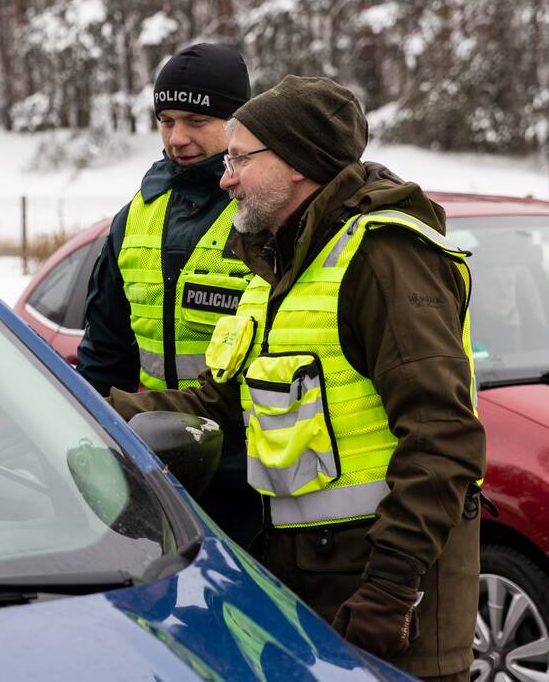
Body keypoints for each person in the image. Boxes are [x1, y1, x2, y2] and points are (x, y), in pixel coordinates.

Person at [106, 75, 485, 680]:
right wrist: (86, 408)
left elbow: (443, 439)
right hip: (311, 593)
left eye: (239, 159)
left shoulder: (384, 259)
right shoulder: (280, 265)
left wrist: (390, 592)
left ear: (300, 164)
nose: (225, 176)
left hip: (391, 606)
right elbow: (220, 406)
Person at [75, 41, 259, 548]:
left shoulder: (265, 213)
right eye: (166, 120)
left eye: (197, 121)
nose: (177, 138)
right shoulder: (135, 215)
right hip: (156, 470)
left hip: (256, 483)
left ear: (238, 120)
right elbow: (104, 349)